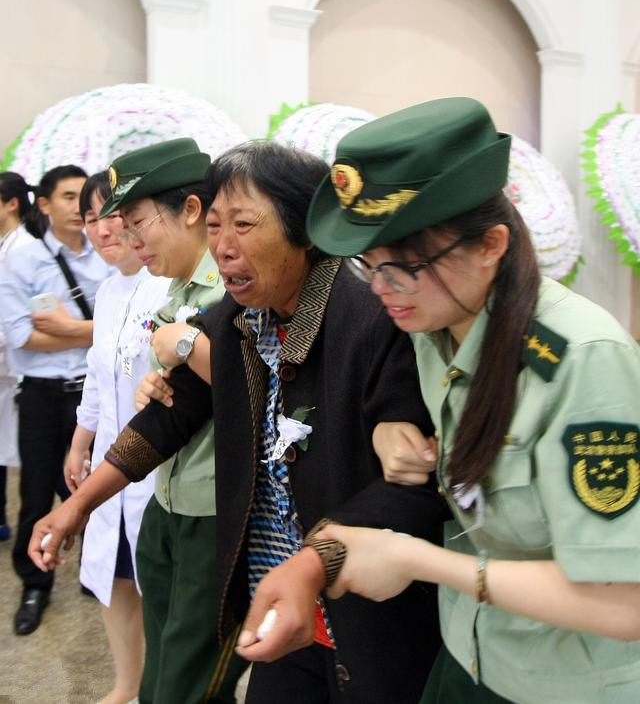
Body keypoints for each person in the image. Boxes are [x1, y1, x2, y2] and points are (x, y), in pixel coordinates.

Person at [29, 141, 448, 704]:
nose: (222, 248)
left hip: (361, 609)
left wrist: (314, 563)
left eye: (244, 225)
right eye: (217, 226)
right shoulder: (234, 319)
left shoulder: (371, 321)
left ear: (305, 230)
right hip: (275, 604)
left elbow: (411, 486)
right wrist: (78, 505)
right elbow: (167, 419)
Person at [299, 96, 640, 703]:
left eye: (403, 267)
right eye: (368, 266)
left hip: (562, 680)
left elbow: (623, 602)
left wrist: (416, 561)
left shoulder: (583, 362)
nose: (383, 291)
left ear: (491, 245)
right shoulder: (435, 326)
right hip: (470, 654)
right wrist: (390, 424)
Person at [97, 138, 245, 704]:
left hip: (215, 511)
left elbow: (260, 383)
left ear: (190, 210)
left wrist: (185, 345)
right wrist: (155, 378)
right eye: (122, 226)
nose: (130, 240)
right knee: (160, 674)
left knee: (191, 686)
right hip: (167, 500)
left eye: (138, 222)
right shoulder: (172, 291)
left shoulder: (236, 283)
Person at [66, 171, 170, 704]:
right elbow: (97, 376)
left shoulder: (167, 286)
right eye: (89, 219)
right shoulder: (107, 292)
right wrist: (79, 442)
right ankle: (125, 684)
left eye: (110, 214)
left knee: (156, 585)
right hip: (108, 461)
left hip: (154, 467)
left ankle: (156, 688)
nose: (102, 230)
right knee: (116, 578)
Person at [0, 164, 110, 635]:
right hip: (43, 395)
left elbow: (122, 322)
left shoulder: (105, 252)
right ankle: (34, 584)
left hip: (94, 390)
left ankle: (94, 569)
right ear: (42, 204)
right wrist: (94, 332)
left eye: (82, 199)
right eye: (67, 197)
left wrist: (71, 330)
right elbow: (21, 336)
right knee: (36, 492)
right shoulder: (21, 257)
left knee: (97, 486)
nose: (77, 208)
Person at [0, 173, 36, 542]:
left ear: (12, 203)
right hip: (11, 372)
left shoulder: (23, 250)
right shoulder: (7, 246)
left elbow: (18, 320)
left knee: (40, 464)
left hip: (22, 373)